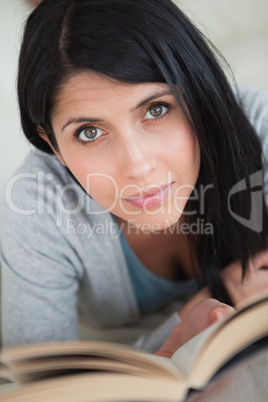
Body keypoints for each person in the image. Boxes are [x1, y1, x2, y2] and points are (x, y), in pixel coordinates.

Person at [1, 0, 268, 355]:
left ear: (198, 93)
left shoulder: (259, 126)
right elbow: (44, 384)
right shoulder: (35, 206)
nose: (137, 166)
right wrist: (200, 310)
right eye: (90, 133)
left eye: (156, 110)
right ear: (53, 144)